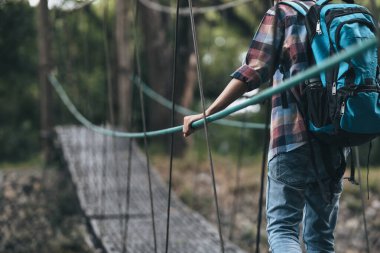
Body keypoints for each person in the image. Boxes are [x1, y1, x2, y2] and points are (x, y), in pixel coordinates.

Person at [183, 1, 346, 252]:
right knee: (321, 237)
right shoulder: (337, 14)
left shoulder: (283, 12)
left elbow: (253, 72)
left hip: (292, 138)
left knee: (283, 229)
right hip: (334, 143)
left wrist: (207, 113)